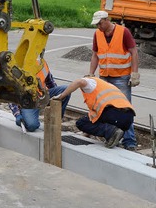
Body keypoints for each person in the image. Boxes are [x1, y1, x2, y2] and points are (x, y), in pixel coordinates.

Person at [88, 10, 140, 150]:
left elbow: (134, 51)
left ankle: (129, 141)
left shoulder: (123, 32)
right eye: (96, 24)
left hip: (121, 77)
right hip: (104, 76)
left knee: (125, 108)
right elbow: (95, 55)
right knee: (104, 107)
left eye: (99, 23)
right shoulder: (97, 34)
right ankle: (111, 135)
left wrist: (134, 73)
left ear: (106, 20)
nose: (98, 27)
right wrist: (91, 73)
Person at [52, 77, 135, 148]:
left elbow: (79, 82)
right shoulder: (106, 86)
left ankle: (111, 132)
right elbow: (93, 118)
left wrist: (61, 96)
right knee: (92, 121)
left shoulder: (91, 83)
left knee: (81, 123)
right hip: (128, 119)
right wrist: (88, 133)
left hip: (115, 113)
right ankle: (113, 135)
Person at [9, 56, 70, 132]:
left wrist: (55, 98)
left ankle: (55, 120)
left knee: (65, 90)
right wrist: (17, 114)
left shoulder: (41, 63)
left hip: (42, 96)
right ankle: (26, 116)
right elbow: (11, 93)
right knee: (31, 126)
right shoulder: (18, 66)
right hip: (28, 103)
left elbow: (51, 83)